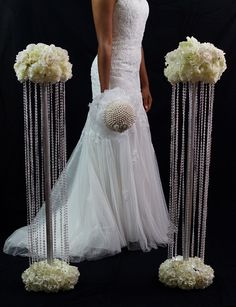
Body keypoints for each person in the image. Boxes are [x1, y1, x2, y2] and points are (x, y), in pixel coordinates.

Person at [4, 0, 170, 262]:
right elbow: (105, 43)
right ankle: (102, 222)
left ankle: (127, 222)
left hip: (131, 73)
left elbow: (137, 40)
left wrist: (145, 83)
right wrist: (105, 96)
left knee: (133, 145)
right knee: (108, 141)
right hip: (111, 71)